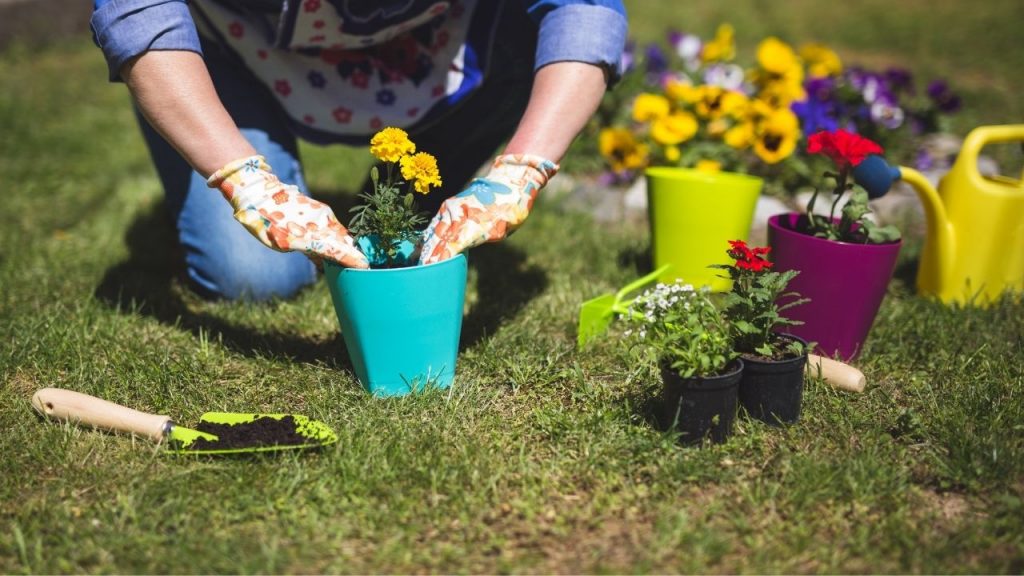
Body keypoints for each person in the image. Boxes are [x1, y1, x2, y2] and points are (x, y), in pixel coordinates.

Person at [90, 0, 628, 301]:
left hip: (440, 40)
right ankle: (190, 112)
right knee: (255, 279)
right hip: (239, 41)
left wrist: (521, 172)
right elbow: (138, 13)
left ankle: (405, 191)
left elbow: (584, 9)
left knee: (407, 235)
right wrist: (247, 183)